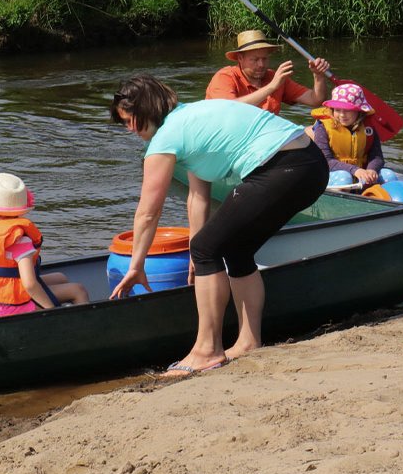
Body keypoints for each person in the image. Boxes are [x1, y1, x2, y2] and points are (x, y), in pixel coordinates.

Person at [109, 74, 328, 376]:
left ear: (146, 109)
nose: (129, 129)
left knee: (208, 247)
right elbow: (198, 197)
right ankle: (249, 342)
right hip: (310, 166)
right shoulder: (191, 120)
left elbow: (148, 212)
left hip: (285, 167)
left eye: (130, 120)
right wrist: (198, 256)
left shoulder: (166, 138)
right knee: (235, 248)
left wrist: (137, 264)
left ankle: (207, 349)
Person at [0, 172, 91, 317]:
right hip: (11, 307)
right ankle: (83, 328)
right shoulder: (18, 238)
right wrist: (50, 309)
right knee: (78, 290)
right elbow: (30, 284)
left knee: (61, 277)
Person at [204, 29, 333, 115]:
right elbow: (229, 109)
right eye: (254, 60)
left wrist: (318, 76)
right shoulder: (225, 76)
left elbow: (316, 100)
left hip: (265, 141)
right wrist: (272, 87)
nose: (261, 64)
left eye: (264, 59)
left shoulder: (274, 77)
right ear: (240, 59)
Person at [308, 83, 399, 192]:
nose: (342, 115)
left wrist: (371, 170)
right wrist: (354, 170)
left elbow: (377, 156)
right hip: (332, 174)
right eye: (337, 110)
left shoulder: (368, 128)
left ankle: (382, 202)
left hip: (360, 173)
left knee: (388, 175)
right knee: (345, 177)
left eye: (347, 110)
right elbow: (325, 161)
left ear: (358, 110)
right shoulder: (322, 128)